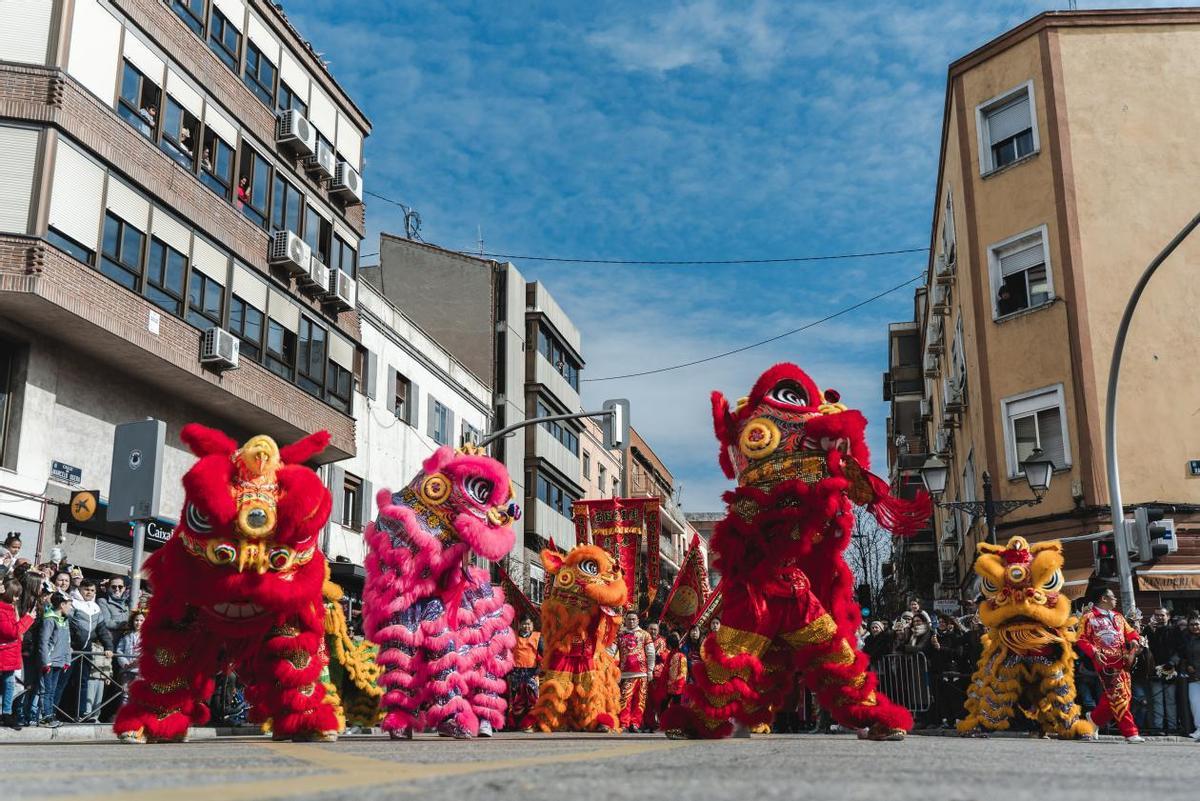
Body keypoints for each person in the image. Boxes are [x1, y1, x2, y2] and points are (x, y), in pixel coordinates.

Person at [1076, 589, 1143, 742]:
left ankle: (1093, 720)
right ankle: (1130, 732)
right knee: (1118, 696)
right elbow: (1080, 639)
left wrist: (1134, 640)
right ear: (1104, 598)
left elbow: (1131, 632)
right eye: (1113, 597)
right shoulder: (1089, 617)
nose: (1116, 600)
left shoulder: (1118, 617)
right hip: (1105, 663)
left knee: (1121, 696)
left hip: (1124, 662)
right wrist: (1093, 652)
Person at [67, 579, 114, 721]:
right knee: (65, 681)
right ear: (80, 589)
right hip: (72, 648)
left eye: (92, 590)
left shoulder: (95, 607)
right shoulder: (72, 603)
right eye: (86, 589)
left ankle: (81, 713)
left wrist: (109, 647)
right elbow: (68, 625)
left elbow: (102, 630)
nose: (89, 592)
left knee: (83, 681)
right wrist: (67, 644)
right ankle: (56, 712)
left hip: (86, 649)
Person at [1, 579, 36, 729]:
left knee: (9, 684)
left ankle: (6, 713)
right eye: (15, 595)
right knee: (8, 684)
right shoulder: (2, 610)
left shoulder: (9, 608)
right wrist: (28, 619)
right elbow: (12, 632)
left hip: (10, 653)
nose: (16, 599)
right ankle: (6, 713)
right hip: (4, 652)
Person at [1143, 607, 1183, 735]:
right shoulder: (1150, 630)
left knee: (1170, 700)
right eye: (1157, 615)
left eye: (1162, 615)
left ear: (1168, 616)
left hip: (1170, 669)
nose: (1159, 617)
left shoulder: (1174, 630)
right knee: (1157, 700)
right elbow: (1144, 647)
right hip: (1154, 670)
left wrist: (1172, 662)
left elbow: (1180, 649)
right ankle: (1158, 728)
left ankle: (1171, 728)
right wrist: (1148, 629)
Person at [615, 611, 655, 732]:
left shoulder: (645, 635)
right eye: (629, 619)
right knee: (625, 699)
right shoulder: (620, 635)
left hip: (642, 673)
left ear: (638, 621)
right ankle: (624, 723)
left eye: (633, 619)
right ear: (625, 621)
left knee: (640, 700)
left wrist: (650, 670)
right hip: (626, 674)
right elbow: (611, 651)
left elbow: (651, 653)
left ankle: (635, 723)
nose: (631, 621)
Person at [39, 591, 73, 727]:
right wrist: (45, 660)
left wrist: (67, 660)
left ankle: (50, 714)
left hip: (60, 661)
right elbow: (44, 641)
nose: (70, 607)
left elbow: (67, 643)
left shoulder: (64, 620)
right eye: (69, 604)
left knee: (53, 690)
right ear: (62, 604)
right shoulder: (49, 619)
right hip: (50, 661)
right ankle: (45, 717)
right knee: (47, 690)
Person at [505, 617, 540, 730]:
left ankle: (530, 724)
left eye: (529, 624)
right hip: (516, 672)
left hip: (531, 673)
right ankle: (516, 724)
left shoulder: (538, 637)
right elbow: (508, 653)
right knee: (517, 700)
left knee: (532, 699)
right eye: (524, 624)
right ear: (519, 625)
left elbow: (543, 654)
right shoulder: (513, 637)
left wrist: (539, 670)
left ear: (532, 626)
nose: (526, 627)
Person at [114, 611, 144, 705]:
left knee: (138, 696)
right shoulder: (126, 635)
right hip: (127, 670)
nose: (138, 623)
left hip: (140, 671)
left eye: (141, 620)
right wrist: (125, 663)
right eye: (136, 620)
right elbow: (119, 651)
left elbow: (150, 651)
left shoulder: (148, 636)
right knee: (125, 695)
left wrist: (139, 661)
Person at [644, 621, 669, 731]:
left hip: (659, 675)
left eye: (655, 629)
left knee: (659, 700)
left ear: (658, 631)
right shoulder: (643, 639)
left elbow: (668, 655)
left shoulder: (663, 641)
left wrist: (661, 655)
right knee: (647, 701)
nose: (653, 631)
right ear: (647, 630)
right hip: (645, 673)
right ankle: (649, 723)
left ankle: (662, 722)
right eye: (651, 629)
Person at [1183, 617, 1200, 740]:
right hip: (1193, 677)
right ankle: (1199, 728)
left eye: (1197, 624)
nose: (1195, 626)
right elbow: (1183, 655)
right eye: (1192, 624)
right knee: (1195, 703)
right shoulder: (1186, 639)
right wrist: (1187, 665)